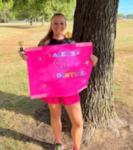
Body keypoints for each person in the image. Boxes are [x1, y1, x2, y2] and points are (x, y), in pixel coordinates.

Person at [19, 13, 98, 150]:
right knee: (55, 116)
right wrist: (27, 58)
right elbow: (39, 62)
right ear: (51, 25)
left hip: (69, 88)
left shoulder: (71, 42)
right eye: (55, 23)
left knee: (78, 123)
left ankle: (76, 147)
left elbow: (80, 62)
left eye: (61, 23)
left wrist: (93, 61)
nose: (58, 26)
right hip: (52, 87)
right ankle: (58, 143)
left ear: (65, 25)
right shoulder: (44, 43)